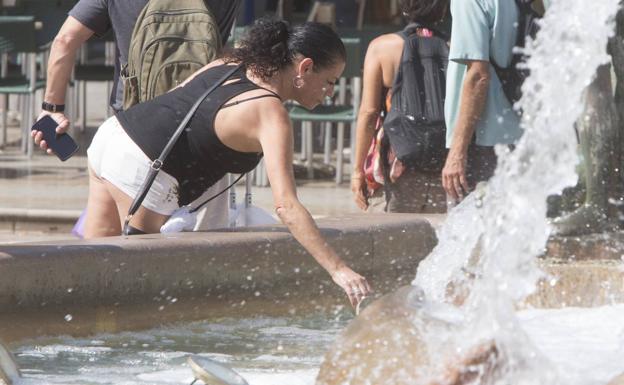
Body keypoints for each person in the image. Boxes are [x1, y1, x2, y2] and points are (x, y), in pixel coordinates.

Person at [85, 19, 372, 306]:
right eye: (330, 81)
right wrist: (338, 269)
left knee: (92, 268)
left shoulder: (232, 62)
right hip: (143, 165)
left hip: (114, 133)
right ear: (305, 68)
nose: (330, 92)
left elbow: (179, 99)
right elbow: (287, 206)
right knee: (134, 292)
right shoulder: (270, 112)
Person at [31, 0, 243, 231]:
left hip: (128, 133)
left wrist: (52, 109)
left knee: (103, 252)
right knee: (200, 250)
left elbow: (65, 40)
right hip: (201, 132)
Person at [351, 0, 449, 213]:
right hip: (444, 162)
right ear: (443, 10)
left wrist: (358, 170)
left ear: (403, 9)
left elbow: (369, 112)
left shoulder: (381, 47)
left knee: (391, 238)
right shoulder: (454, 47)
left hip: (398, 162)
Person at [442, 0, 527, 205]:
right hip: (524, 133)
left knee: (470, 229)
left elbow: (478, 76)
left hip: (484, 141)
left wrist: (457, 151)